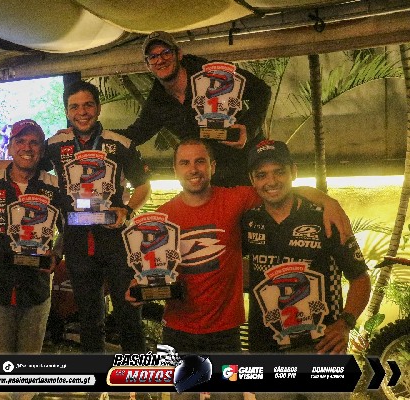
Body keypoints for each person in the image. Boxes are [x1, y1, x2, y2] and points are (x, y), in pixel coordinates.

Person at [126, 138, 351, 399]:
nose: (193, 169)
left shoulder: (236, 199)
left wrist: (327, 200)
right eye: (185, 163)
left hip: (226, 333)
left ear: (212, 166)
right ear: (175, 170)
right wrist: (138, 288)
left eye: (200, 161)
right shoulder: (163, 217)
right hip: (178, 332)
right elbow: (149, 271)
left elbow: (280, 188)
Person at [242, 140, 370, 399]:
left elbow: (360, 277)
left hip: (323, 351)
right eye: (262, 175)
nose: (271, 181)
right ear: (252, 180)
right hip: (267, 352)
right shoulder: (246, 219)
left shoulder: (325, 217)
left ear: (294, 172)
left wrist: (345, 323)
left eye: (279, 172)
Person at [45, 80, 151, 354]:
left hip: (117, 242)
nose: (82, 112)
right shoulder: (54, 144)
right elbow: (27, 166)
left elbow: (143, 187)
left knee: (128, 315)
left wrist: (127, 210)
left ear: (99, 108)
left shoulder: (120, 143)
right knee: (89, 321)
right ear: (67, 111)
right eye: (74, 107)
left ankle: (138, 377)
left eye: (88, 105)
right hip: (77, 243)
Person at [0, 119, 62, 400]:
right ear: (10, 147)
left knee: (26, 382)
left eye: (34, 142)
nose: (27, 147)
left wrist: (57, 253)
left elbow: (72, 227)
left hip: (36, 293)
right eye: (21, 141)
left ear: (41, 150)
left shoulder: (55, 186)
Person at [118, 30, 272, 187]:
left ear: (179, 54)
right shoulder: (157, 102)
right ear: (147, 65)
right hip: (212, 180)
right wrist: (101, 132)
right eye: (153, 56)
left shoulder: (212, 73)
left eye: (166, 53)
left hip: (250, 167)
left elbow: (261, 91)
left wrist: (249, 128)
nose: (160, 60)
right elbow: (135, 134)